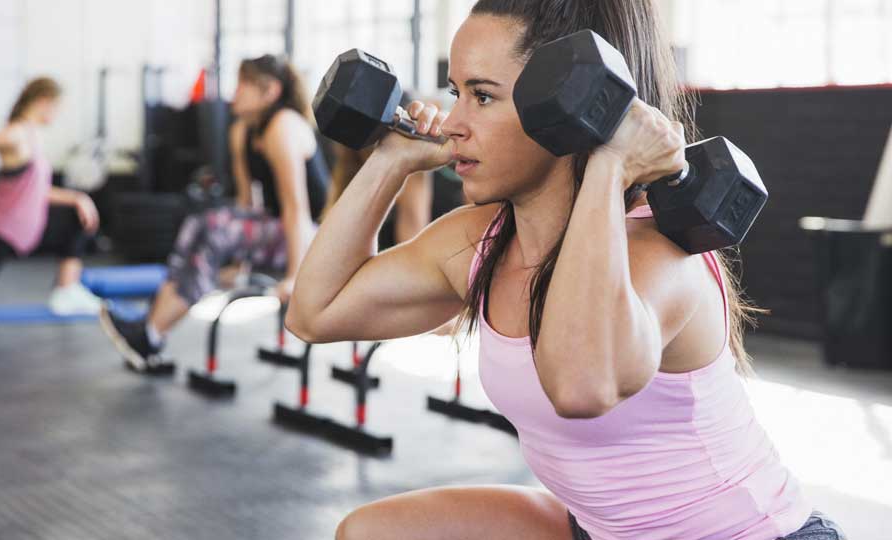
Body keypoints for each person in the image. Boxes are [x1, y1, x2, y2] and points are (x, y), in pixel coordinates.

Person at [287, 1, 846, 539]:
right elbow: (316, 312)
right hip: (599, 531)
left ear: (570, 106)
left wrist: (608, 162)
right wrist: (393, 161)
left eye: (482, 97)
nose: (454, 122)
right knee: (372, 533)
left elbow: (581, 387)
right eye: (456, 92)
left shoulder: (661, 252)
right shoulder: (478, 240)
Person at [99, 55, 329, 370]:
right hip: (275, 228)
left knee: (213, 227)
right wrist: (239, 262)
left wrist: (294, 277)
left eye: (244, 85)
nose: (235, 93)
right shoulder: (242, 131)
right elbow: (248, 206)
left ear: (270, 91)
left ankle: (151, 331)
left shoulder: (283, 127)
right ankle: (151, 328)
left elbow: (296, 208)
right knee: (198, 223)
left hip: (313, 236)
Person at [0, 77, 102, 316]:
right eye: (58, 108)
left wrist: (78, 198)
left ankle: (66, 290)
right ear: (43, 102)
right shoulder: (17, 134)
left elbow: (33, 193)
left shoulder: (32, 136)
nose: (57, 115)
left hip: (22, 231)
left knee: (78, 216)